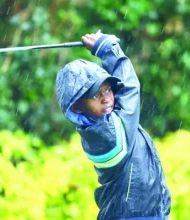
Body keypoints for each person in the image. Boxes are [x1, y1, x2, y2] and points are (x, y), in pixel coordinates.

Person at [55, 30, 171, 220]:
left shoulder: (105, 122)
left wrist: (103, 49)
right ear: (77, 108)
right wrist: (107, 49)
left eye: (108, 89)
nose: (106, 98)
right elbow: (130, 88)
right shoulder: (108, 135)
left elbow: (121, 92)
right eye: (95, 95)